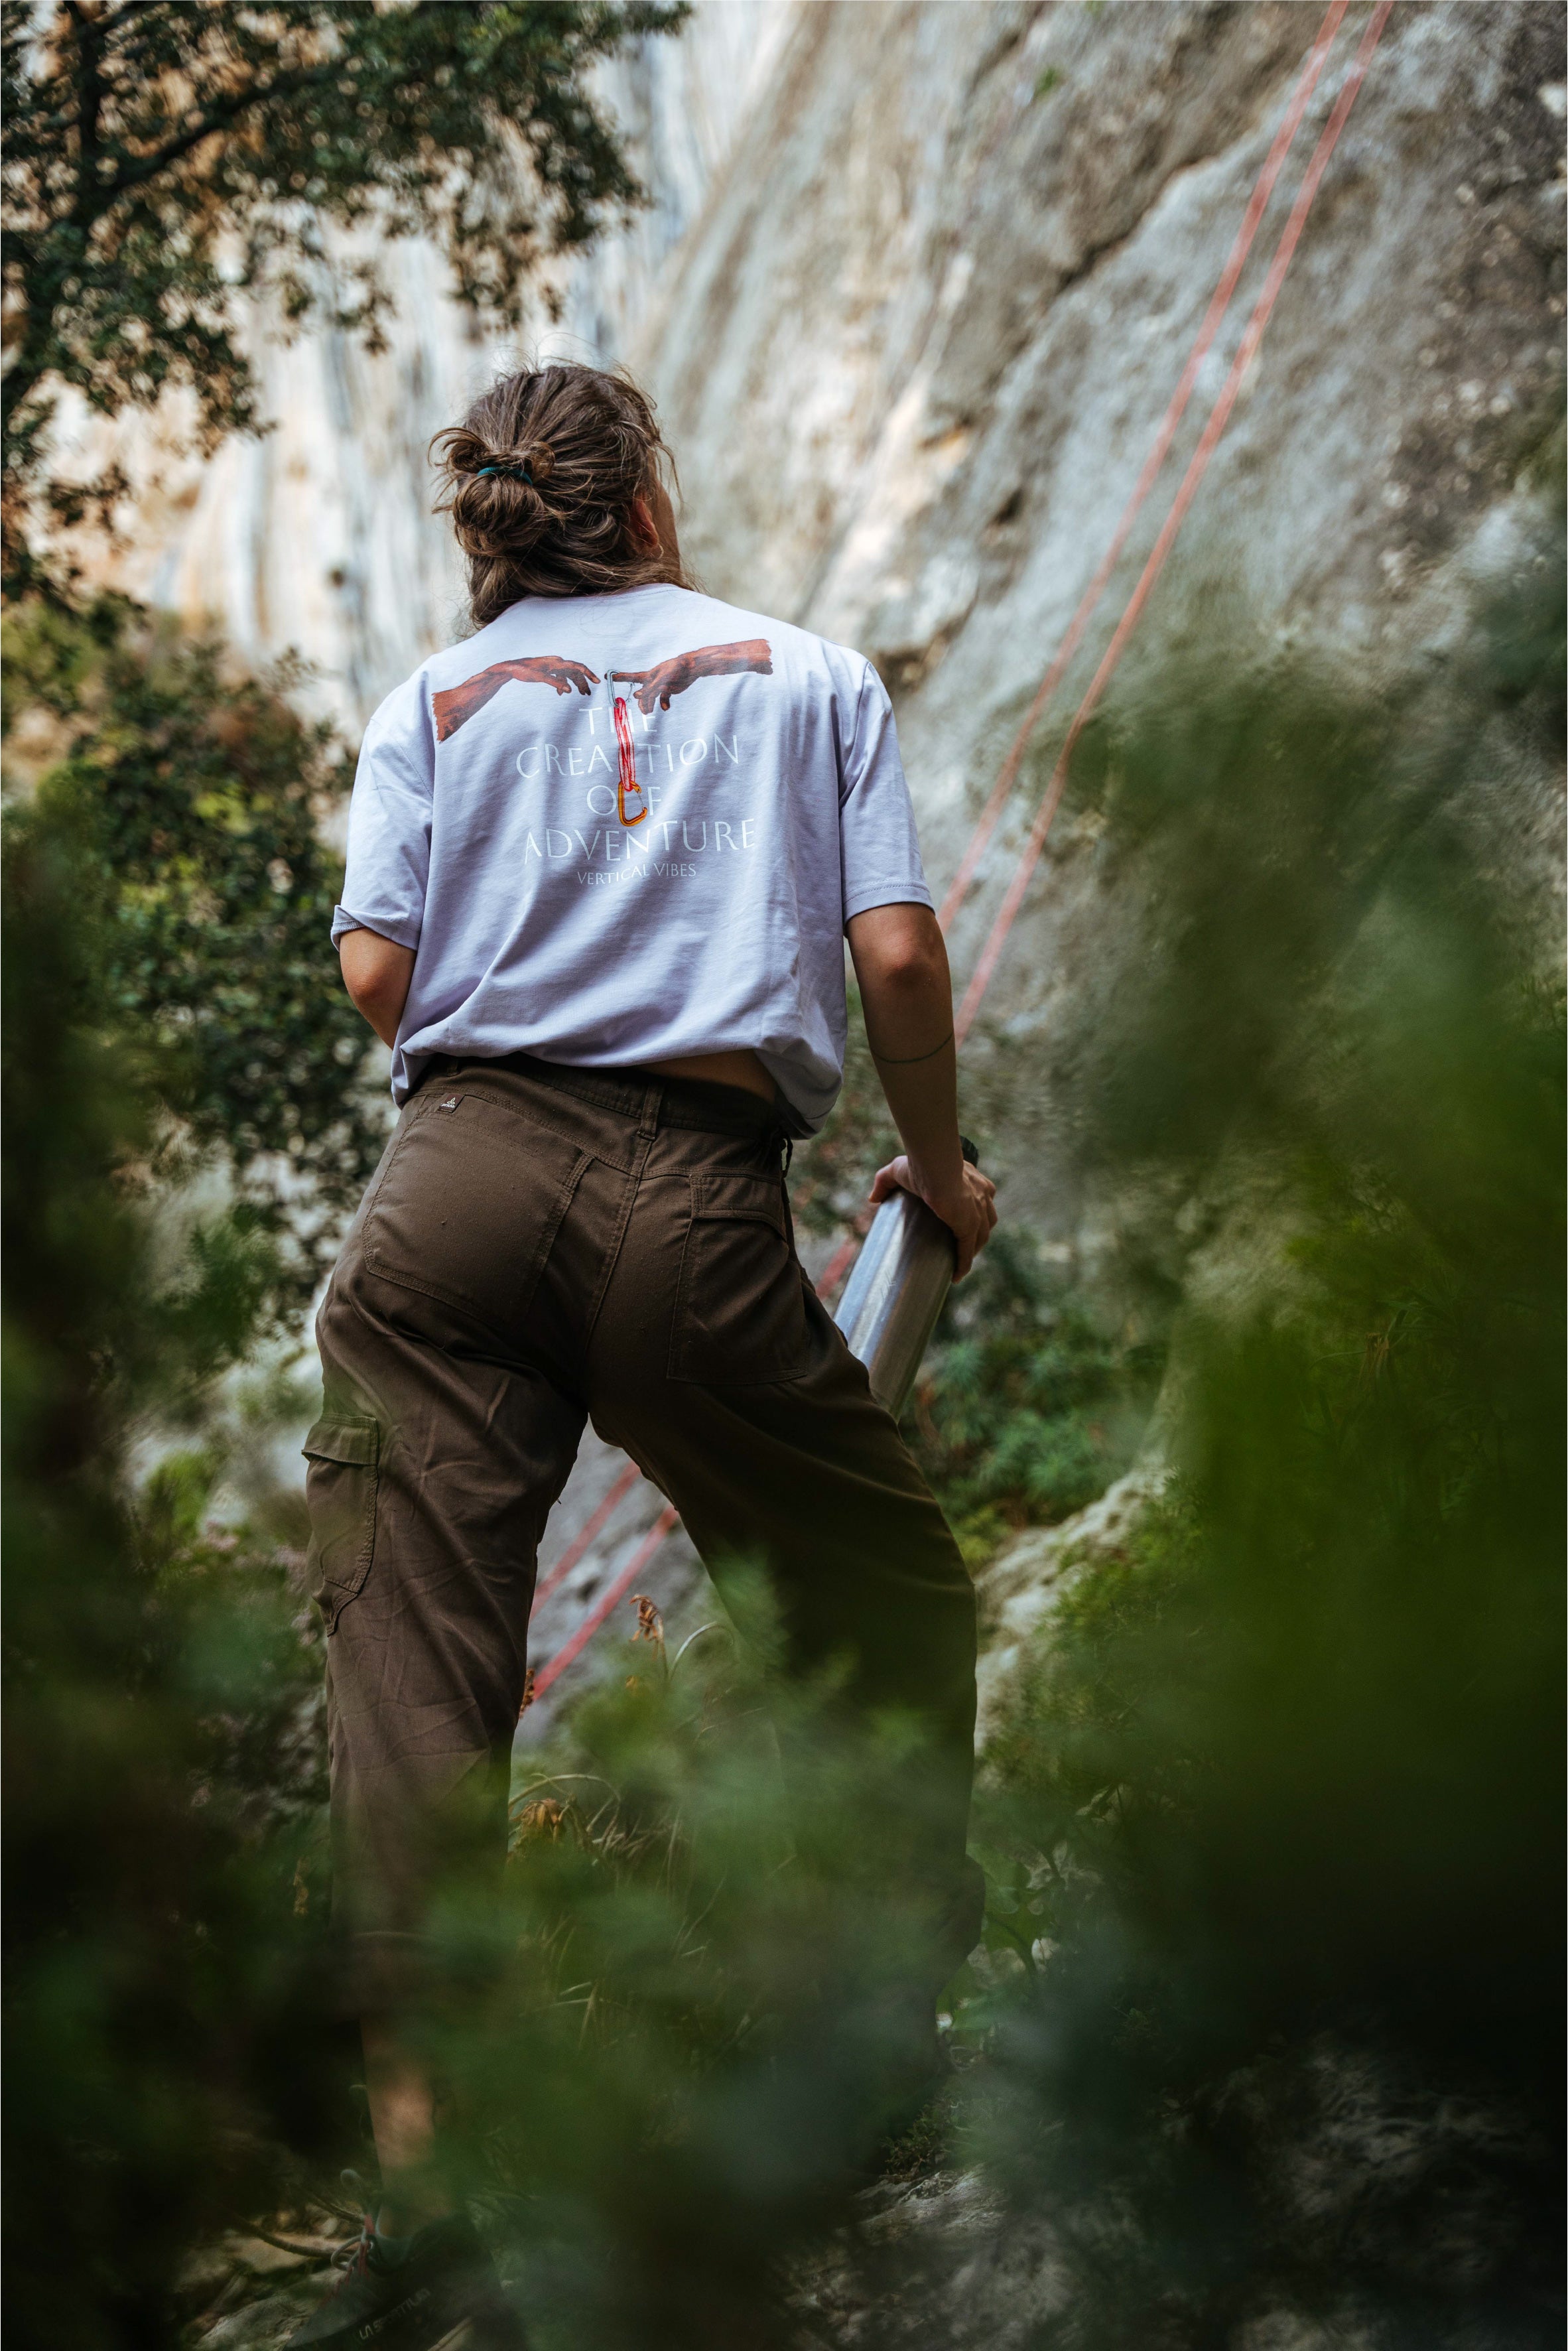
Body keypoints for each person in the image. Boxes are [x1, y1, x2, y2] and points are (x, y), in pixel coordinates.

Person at [289, 362, 997, 2350]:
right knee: (874, 1595)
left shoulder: (424, 700)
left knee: (409, 1678)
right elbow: (897, 959)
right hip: (688, 1191)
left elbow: (373, 968)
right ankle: (862, 2051)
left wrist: (504, 1060)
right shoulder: (810, 676)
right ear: (651, 504)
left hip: (444, 1190)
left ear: (495, 523)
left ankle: (425, 2193)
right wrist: (931, 1171)